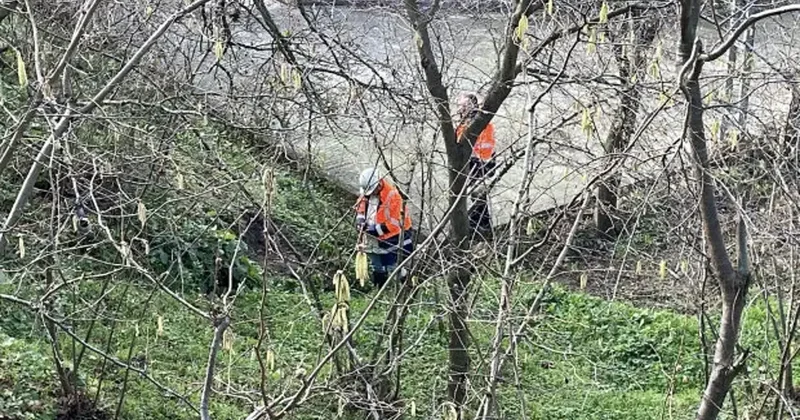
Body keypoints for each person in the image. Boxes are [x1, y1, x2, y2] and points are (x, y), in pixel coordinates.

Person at [355, 168, 414, 288]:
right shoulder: (367, 192)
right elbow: (361, 206)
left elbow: (393, 225)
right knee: (377, 264)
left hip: (392, 238)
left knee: (393, 265)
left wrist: (372, 230)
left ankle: (407, 287)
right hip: (373, 238)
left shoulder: (393, 196)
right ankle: (379, 288)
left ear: (379, 185)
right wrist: (360, 220)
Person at [455, 92, 496, 240]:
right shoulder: (464, 124)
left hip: (480, 165)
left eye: (464, 106)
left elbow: (482, 149)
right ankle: (479, 224)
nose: (460, 109)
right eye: (460, 106)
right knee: (475, 196)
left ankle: (482, 227)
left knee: (477, 195)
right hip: (474, 164)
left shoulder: (480, 124)